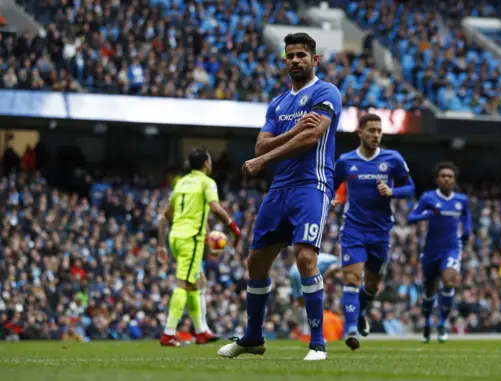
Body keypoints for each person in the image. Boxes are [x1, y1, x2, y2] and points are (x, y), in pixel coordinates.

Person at [217, 32, 342, 361]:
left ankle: (317, 343)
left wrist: (265, 158)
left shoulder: (326, 92)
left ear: (315, 60)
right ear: (285, 61)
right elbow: (261, 143)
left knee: (305, 258)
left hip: (312, 185)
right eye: (290, 55)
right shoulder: (278, 103)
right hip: (280, 189)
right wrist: (293, 129)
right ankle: (253, 337)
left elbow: (311, 139)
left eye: (302, 55)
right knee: (256, 262)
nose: (295, 60)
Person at [332, 113, 414, 350]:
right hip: (353, 229)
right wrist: (330, 199)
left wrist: (392, 192)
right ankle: (351, 330)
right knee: (351, 278)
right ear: (360, 132)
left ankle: (360, 312)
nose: (376, 135)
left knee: (372, 285)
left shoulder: (393, 159)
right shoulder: (346, 161)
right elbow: (331, 185)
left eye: (379, 131)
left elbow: (410, 187)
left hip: (380, 232)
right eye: (372, 130)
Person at [157, 148, 241, 347]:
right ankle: (169, 333)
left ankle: (201, 331)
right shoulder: (207, 182)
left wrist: (161, 245)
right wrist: (233, 227)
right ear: (205, 163)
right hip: (190, 238)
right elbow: (214, 207)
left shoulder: (181, 183)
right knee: (184, 284)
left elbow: (166, 216)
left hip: (176, 237)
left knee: (197, 283)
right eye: (210, 161)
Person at [407, 161, 471, 344]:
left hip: (451, 248)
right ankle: (427, 321)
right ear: (437, 179)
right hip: (430, 251)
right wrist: (425, 215)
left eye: (450, 176)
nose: (446, 179)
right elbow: (411, 217)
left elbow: (466, 218)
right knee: (429, 290)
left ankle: (442, 322)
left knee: (449, 281)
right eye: (443, 176)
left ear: (454, 180)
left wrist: (466, 231)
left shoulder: (461, 200)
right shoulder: (428, 198)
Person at [289, 252, 340, 336]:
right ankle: (309, 331)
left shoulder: (326, 257)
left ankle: (295, 328)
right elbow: (332, 269)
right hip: (304, 271)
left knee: (300, 302)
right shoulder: (337, 261)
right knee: (311, 301)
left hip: (294, 269)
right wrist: (321, 281)